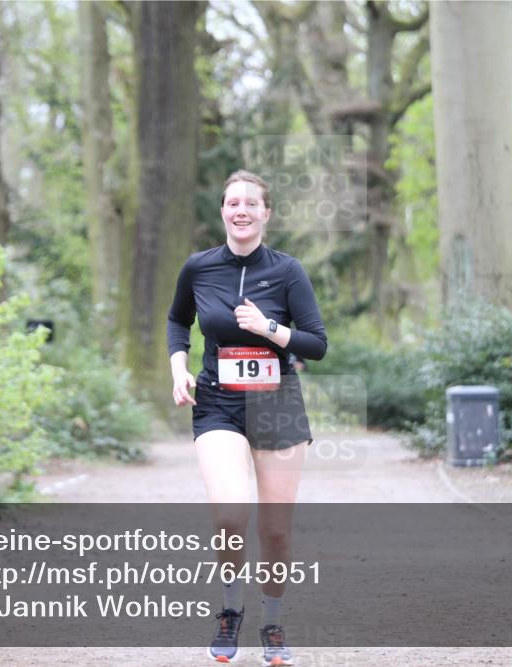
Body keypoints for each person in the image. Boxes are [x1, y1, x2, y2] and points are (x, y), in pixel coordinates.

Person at [167, 170, 328, 665]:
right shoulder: (198, 267)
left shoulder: (287, 271)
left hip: (277, 403)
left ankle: (273, 622)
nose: (241, 210)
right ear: (223, 211)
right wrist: (179, 367)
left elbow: (317, 344)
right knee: (231, 515)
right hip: (218, 403)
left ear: (265, 213)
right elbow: (178, 320)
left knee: (275, 530)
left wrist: (270, 327)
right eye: (232, 202)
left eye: (250, 204)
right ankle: (230, 611)